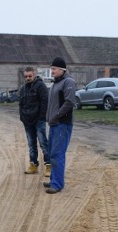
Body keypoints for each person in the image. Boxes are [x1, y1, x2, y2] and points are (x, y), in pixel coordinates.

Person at [44, 57, 76, 194]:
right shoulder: (56, 83)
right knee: (52, 153)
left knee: (58, 154)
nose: (52, 71)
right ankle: (53, 180)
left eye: (54, 69)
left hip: (62, 124)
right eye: (51, 69)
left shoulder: (68, 82)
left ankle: (57, 184)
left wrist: (56, 115)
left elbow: (69, 103)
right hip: (54, 124)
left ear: (63, 70)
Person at [18, 67, 50, 176]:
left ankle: (48, 166)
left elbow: (45, 102)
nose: (28, 78)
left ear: (34, 75)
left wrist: (42, 117)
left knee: (43, 143)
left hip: (39, 121)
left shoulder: (41, 86)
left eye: (30, 76)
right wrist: (22, 117)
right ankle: (33, 165)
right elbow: (21, 105)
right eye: (26, 76)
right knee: (31, 144)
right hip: (27, 122)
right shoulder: (23, 89)